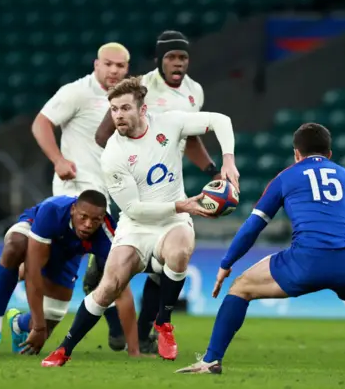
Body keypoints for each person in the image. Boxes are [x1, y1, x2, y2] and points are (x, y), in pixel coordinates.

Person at [175, 123, 345, 376]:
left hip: (305, 261)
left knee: (241, 288)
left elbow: (253, 226)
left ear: (296, 153)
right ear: (329, 154)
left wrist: (226, 263)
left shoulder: (286, 176)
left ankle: (211, 361)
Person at [41, 76, 239, 367]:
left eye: (124, 108)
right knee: (107, 287)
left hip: (173, 222)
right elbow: (134, 208)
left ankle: (164, 323)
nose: (118, 115)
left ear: (142, 110)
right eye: (114, 110)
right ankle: (64, 348)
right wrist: (181, 204)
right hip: (136, 226)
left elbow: (221, 120)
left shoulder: (170, 123)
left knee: (179, 251)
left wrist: (228, 160)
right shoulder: (113, 155)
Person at [90, 30, 221, 353]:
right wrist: (130, 161)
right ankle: (119, 319)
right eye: (171, 57)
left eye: (183, 57)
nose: (178, 63)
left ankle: (144, 332)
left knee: (165, 270)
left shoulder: (194, 93)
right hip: (134, 186)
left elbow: (190, 139)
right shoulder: (141, 88)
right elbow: (102, 134)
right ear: (159, 61)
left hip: (166, 186)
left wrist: (212, 171)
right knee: (114, 275)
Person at [30, 42, 134, 351]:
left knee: (64, 285)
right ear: (96, 64)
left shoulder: (125, 100)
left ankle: (7, 280)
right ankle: (123, 336)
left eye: (120, 66)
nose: (114, 70)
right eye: (108, 64)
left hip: (105, 196)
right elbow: (41, 122)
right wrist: (57, 160)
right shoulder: (76, 92)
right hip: (73, 194)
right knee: (110, 263)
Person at [0, 190, 139, 356]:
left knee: (46, 328)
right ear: (73, 210)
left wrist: (134, 350)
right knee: (15, 245)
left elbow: (122, 288)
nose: (89, 224)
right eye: (84, 217)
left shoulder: (109, 237)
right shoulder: (52, 211)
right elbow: (33, 271)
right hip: (38, 228)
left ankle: (17, 322)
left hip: (70, 252)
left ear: (103, 217)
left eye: (95, 220)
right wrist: (38, 327)